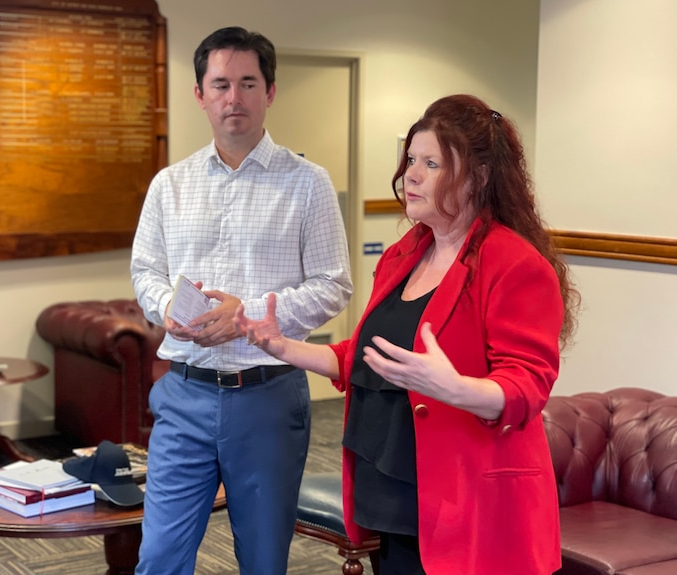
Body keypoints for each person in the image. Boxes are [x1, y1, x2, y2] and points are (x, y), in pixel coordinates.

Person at [235, 94, 580, 575]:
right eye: (412, 160)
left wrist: (455, 388)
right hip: (390, 484)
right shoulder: (406, 252)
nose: (412, 175)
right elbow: (365, 357)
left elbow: (527, 387)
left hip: (467, 497)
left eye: (432, 163)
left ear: (479, 177)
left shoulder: (515, 263)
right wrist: (280, 346)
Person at [130, 26, 353, 575]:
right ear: (200, 94)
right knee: (159, 558)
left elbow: (334, 285)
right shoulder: (169, 185)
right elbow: (144, 272)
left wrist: (245, 317)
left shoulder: (308, 183)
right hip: (184, 396)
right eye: (221, 84)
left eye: (248, 83)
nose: (235, 98)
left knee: (262, 561)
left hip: (268, 398)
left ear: (270, 92)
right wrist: (168, 312)